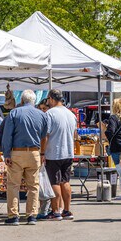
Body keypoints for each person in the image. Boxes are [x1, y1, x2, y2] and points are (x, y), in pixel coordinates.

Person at [2, 89, 49, 226]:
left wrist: (6, 154)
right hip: (34, 153)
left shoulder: (14, 113)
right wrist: (42, 153)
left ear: (21, 100)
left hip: (17, 152)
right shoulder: (41, 115)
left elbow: (7, 136)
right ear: (34, 101)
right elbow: (44, 136)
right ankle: (31, 216)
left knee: (13, 185)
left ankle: (13, 216)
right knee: (33, 186)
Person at [41, 89, 78, 221]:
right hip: (68, 152)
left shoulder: (50, 114)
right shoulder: (71, 114)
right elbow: (75, 134)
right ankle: (67, 210)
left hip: (54, 153)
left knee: (54, 182)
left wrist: (42, 152)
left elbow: (46, 135)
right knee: (65, 181)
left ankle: (56, 211)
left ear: (51, 98)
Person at [105, 98, 121, 166]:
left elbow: (110, 131)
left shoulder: (113, 117)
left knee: (120, 170)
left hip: (116, 147)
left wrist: (109, 139)